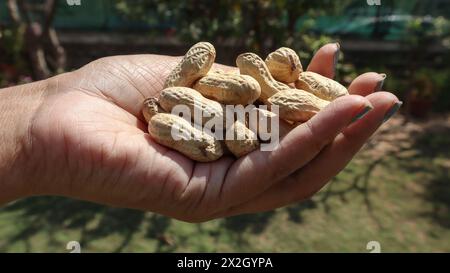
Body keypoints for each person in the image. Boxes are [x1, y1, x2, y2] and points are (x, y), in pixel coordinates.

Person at [0, 43, 401, 222]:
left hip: (220, 115)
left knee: (252, 99)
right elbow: (234, 101)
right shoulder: (185, 97)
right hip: (202, 116)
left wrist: (32, 130)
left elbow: (253, 98)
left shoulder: (260, 95)